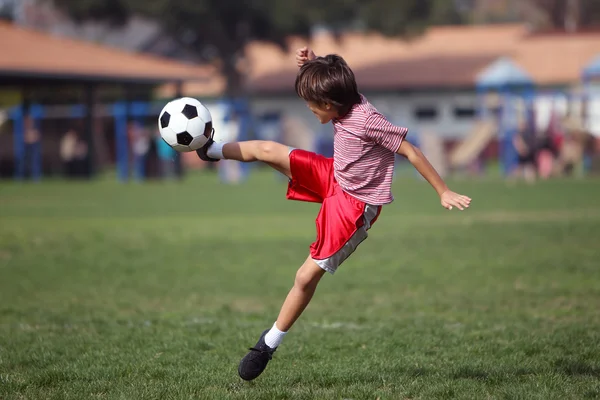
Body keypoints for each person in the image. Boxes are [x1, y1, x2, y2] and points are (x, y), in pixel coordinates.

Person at [196, 47, 472, 381]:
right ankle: (208, 150)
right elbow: (336, 77)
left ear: (328, 104)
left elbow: (411, 151)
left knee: (304, 277)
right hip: (334, 176)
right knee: (266, 149)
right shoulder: (342, 98)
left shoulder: (368, 121)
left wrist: (443, 191)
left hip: (354, 206)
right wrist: (314, 64)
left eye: (311, 104)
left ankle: (266, 345)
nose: (308, 109)